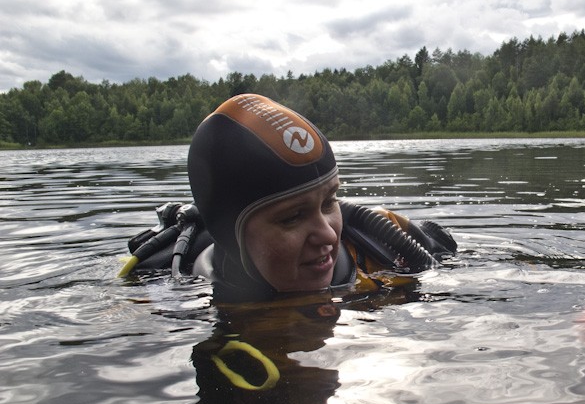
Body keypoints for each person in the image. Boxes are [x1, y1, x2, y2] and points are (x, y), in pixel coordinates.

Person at [122, 93, 456, 302]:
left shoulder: (382, 246)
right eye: (292, 217)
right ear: (230, 233)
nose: (327, 233)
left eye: (329, 202)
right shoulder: (166, 288)